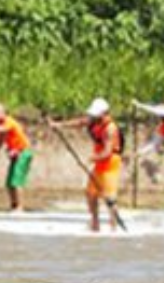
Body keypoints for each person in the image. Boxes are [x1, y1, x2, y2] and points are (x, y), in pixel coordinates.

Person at [50, 98, 123, 232]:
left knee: (110, 197)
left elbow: (107, 152)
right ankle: (95, 224)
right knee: (91, 193)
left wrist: (90, 159)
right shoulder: (93, 121)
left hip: (110, 163)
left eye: (96, 114)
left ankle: (114, 228)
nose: (92, 117)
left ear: (104, 113)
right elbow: (79, 122)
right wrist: (59, 125)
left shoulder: (110, 129)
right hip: (98, 162)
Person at [0, 103, 34, 213]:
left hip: (23, 152)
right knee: (9, 182)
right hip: (15, 154)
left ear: (3, 113)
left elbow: (3, 129)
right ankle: (14, 205)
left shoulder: (9, 122)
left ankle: (20, 207)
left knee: (16, 181)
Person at [132, 96, 164, 188]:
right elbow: (154, 144)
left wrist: (139, 105)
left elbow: (155, 110)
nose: (160, 116)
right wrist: (140, 152)